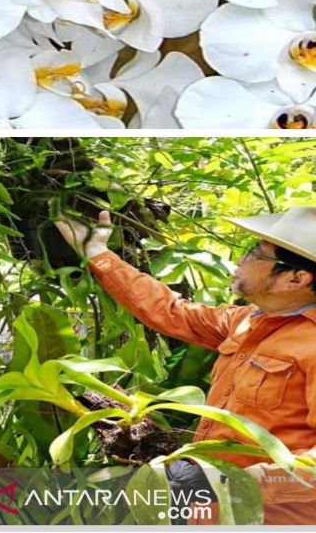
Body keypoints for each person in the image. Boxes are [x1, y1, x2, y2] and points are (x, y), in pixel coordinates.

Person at [56, 206, 316, 525]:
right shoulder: (248, 321)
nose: (241, 259)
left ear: (296, 278)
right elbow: (171, 311)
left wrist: (239, 482)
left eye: (255, 252)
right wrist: (98, 252)